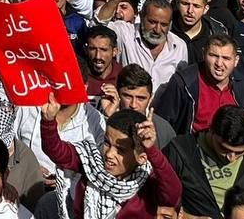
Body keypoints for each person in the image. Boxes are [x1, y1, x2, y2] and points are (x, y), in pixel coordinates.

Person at [40, 91, 182, 219]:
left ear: (141, 157)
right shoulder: (91, 162)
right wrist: (48, 121)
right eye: (107, 143)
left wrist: (152, 150)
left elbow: (172, 195)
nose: (109, 154)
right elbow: (56, 151)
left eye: (120, 150)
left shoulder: (147, 182)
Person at [163, 106, 244, 219]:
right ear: (211, 130)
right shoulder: (180, 152)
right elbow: (155, 203)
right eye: (224, 149)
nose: (231, 158)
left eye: (239, 152)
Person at [154, 34, 244, 137]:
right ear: (203, 54)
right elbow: (163, 125)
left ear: (236, 61)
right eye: (213, 56)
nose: (219, 64)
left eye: (226, 58)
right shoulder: (183, 83)